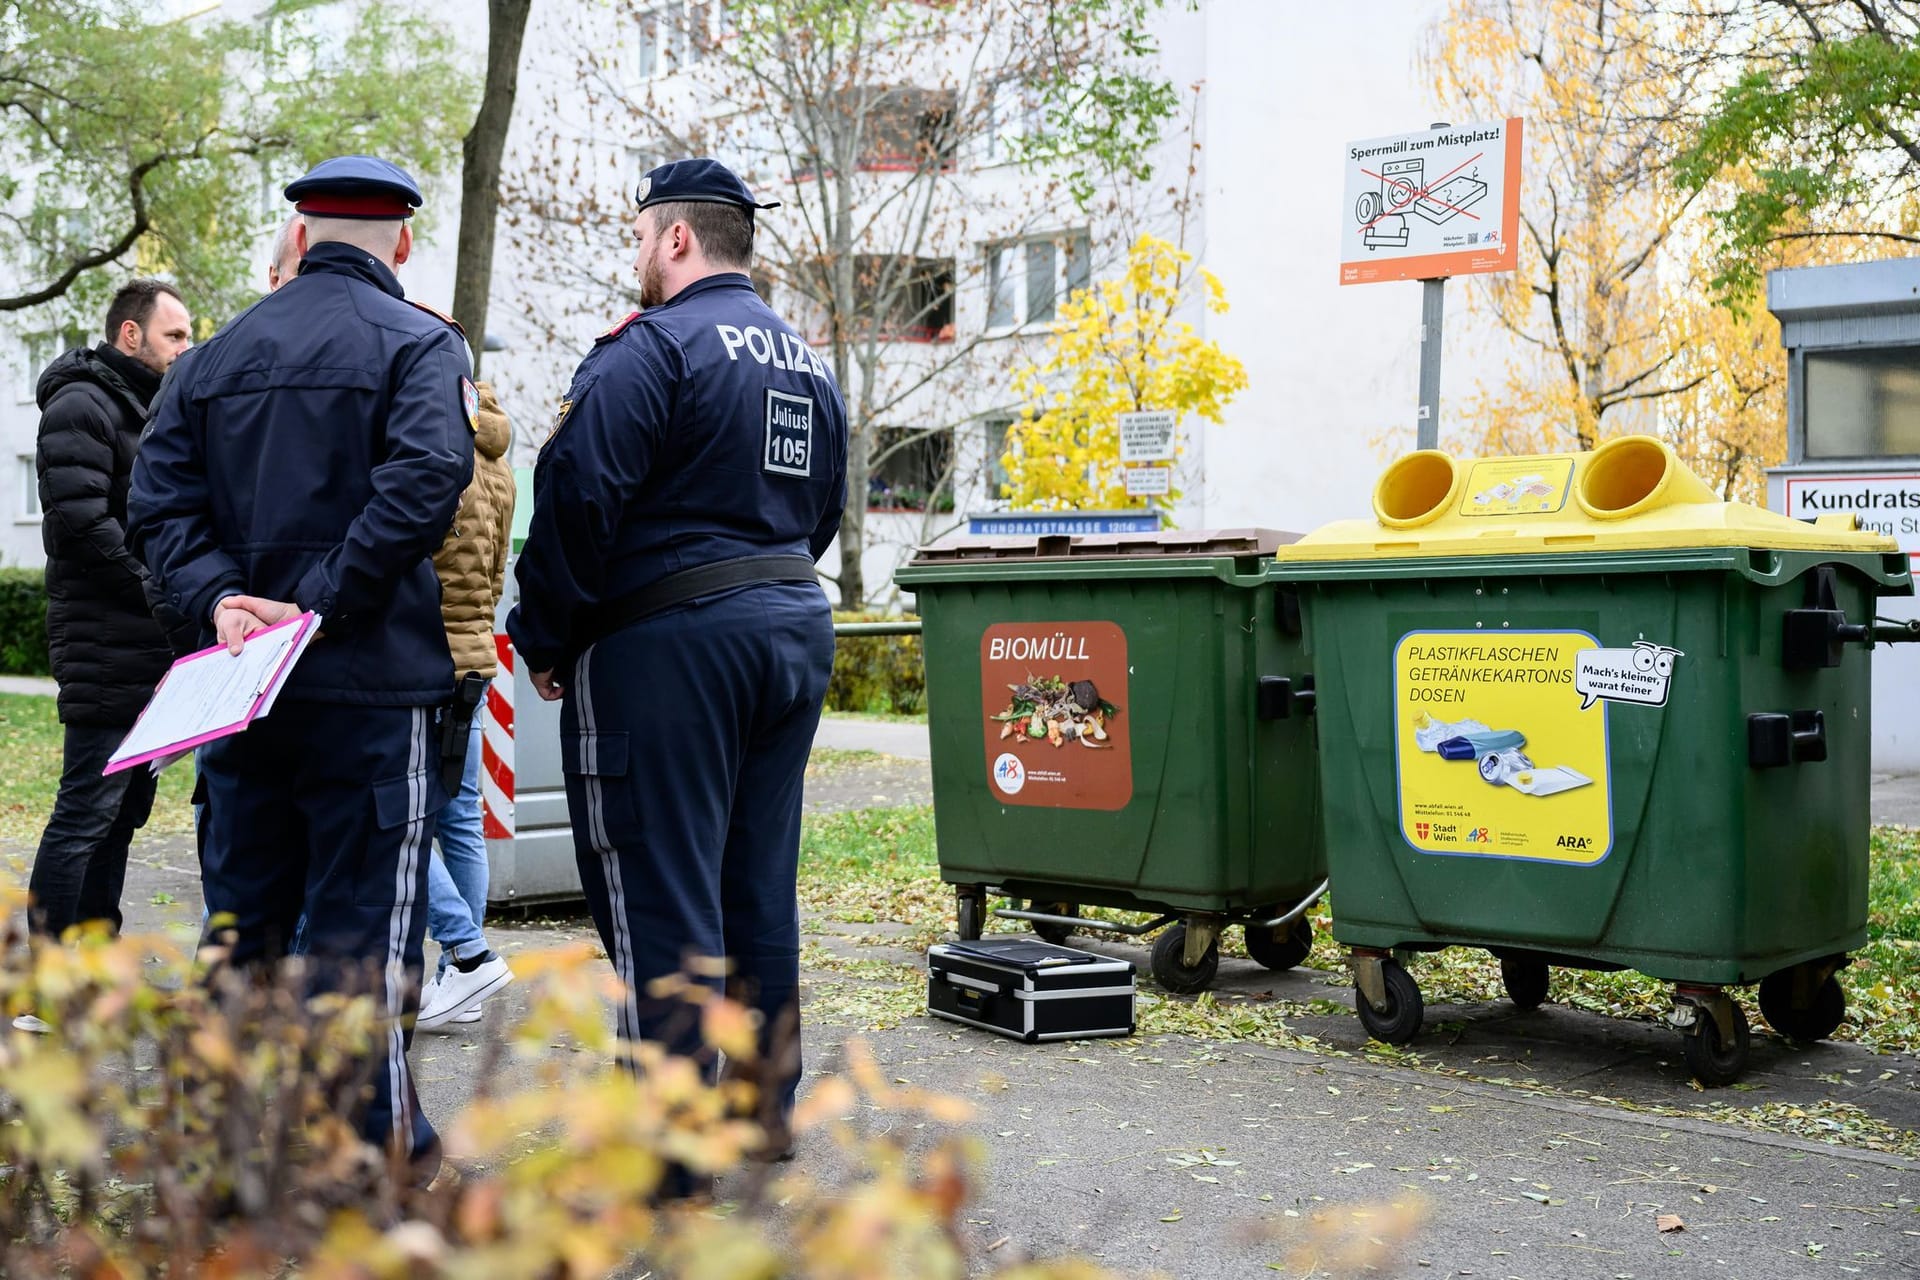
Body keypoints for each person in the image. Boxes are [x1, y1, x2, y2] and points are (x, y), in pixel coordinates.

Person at [127, 155, 474, 1175]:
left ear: (302, 233)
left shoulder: (211, 358)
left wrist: (223, 600)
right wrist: (319, 604)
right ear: (402, 240)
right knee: (364, 931)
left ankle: (224, 1161)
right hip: (368, 691)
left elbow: (158, 509)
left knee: (242, 929)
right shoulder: (421, 346)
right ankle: (366, 1156)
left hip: (240, 690)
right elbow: (426, 481)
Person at [506, 157, 847, 1176]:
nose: (640, 259)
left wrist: (550, 635)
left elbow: (574, 495)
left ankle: (677, 1145)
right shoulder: (806, 360)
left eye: (643, 238)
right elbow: (825, 506)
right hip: (788, 626)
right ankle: (761, 1108)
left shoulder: (648, 351)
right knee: (756, 882)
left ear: (677, 239)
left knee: (661, 883)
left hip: (669, 645)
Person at [17, 280, 195, 1032]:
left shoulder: (141, 408)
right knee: (85, 812)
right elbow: (87, 526)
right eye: (175, 335)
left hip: (144, 651)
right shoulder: (81, 406)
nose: (186, 348)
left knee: (121, 813)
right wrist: (163, 593)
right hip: (104, 644)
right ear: (131, 336)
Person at [417, 380, 516, 1031]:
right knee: (460, 820)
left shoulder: (438, 456)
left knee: (397, 817)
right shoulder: (499, 466)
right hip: (477, 657)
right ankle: (464, 983)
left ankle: (466, 948)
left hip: (427, 658)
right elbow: (499, 568)